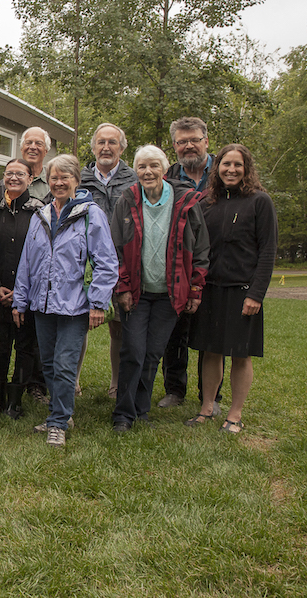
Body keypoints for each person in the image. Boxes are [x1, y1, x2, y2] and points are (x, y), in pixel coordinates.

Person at [13, 154, 117, 447]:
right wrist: (20, 300)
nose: (58, 182)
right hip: (43, 305)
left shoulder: (91, 214)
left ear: (76, 181)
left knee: (65, 363)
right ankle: (61, 413)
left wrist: (98, 302)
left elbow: (106, 262)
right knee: (48, 364)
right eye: (54, 177)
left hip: (75, 306)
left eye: (64, 177)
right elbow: (27, 262)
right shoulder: (41, 215)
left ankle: (58, 422)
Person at [109, 145, 209, 432]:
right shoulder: (127, 200)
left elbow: (201, 248)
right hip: (136, 293)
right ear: (136, 171)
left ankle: (141, 409)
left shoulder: (186, 201)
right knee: (133, 351)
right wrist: (123, 287)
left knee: (153, 353)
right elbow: (114, 248)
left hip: (170, 293)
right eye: (142, 166)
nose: (148, 171)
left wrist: (195, 288)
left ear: (164, 169)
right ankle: (123, 414)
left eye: (154, 166)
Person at [186, 144, 276, 434]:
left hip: (243, 291)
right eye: (226, 164)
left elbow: (268, 251)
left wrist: (256, 294)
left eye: (238, 165)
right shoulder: (207, 203)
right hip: (210, 288)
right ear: (217, 167)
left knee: (240, 353)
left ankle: (235, 415)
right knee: (209, 351)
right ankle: (206, 408)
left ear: (246, 168)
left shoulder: (260, 202)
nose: (231, 170)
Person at [159, 116, 216, 409]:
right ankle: (174, 390)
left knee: (210, 334)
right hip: (178, 266)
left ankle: (211, 395)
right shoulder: (165, 178)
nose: (189, 146)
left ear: (206, 141)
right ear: (175, 146)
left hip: (217, 265)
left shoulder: (224, 172)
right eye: (182, 142)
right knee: (175, 332)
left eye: (194, 139)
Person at [80, 122, 138, 398]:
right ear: (93, 147)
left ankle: (116, 384)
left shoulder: (134, 180)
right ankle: (73, 382)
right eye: (101, 142)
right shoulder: (80, 179)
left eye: (112, 142)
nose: (106, 147)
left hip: (122, 262)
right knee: (78, 324)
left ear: (122, 148)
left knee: (119, 327)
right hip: (82, 266)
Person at [0, 159, 44, 418]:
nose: (14, 178)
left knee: (25, 347)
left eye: (20, 174)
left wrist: (22, 292)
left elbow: (41, 255)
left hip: (27, 295)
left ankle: (15, 402)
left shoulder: (40, 213)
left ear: (30, 179)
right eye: (9, 173)